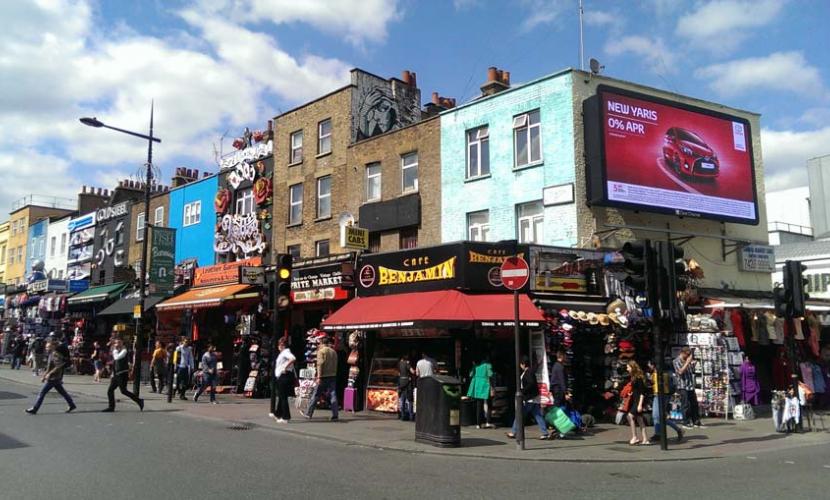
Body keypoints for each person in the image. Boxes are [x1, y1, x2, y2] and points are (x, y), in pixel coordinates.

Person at [25, 340, 76, 415]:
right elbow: (49, 367)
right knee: (62, 392)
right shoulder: (51, 354)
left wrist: (49, 374)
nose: (46, 348)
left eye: (48, 347)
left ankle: (35, 408)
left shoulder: (55, 354)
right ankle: (72, 405)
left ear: (53, 346)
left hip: (54, 377)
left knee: (42, 393)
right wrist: (44, 375)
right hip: (53, 377)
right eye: (46, 347)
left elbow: (59, 365)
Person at [507, 356, 549, 440]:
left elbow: (531, 383)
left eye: (521, 364)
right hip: (534, 398)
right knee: (537, 415)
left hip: (529, 398)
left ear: (523, 364)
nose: (520, 366)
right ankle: (545, 432)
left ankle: (513, 432)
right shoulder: (530, 371)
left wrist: (522, 390)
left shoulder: (528, 372)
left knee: (519, 414)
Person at [301, 336, 338, 421]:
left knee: (316, 394)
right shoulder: (334, 352)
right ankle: (335, 414)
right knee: (333, 394)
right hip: (332, 375)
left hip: (323, 376)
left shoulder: (321, 352)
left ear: (321, 343)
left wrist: (319, 376)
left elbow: (320, 364)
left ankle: (308, 413)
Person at [646, 360, 683, 443]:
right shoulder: (656, 372)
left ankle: (676, 429)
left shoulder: (662, 373)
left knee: (659, 416)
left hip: (663, 395)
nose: (649, 366)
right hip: (657, 395)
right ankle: (658, 433)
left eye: (650, 364)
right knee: (657, 416)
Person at [102, 337, 143, 412]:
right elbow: (115, 362)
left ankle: (139, 401)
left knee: (123, 391)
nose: (116, 344)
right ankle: (111, 407)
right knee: (110, 390)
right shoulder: (117, 350)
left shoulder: (124, 350)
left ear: (122, 343)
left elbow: (117, 358)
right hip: (116, 374)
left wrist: (114, 350)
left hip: (122, 374)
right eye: (115, 343)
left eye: (118, 343)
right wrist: (112, 373)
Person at [673, 347, 704, 429]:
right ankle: (685, 422)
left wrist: (693, 365)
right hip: (682, 385)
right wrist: (687, 362)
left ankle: (696, 421)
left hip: (690, 385)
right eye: (687, 354)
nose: (688, 356)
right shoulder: (676, 361)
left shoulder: (687, 360)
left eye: (689, 355)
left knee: (694, 404)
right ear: (682, 353)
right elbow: (680, 372)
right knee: (685, 404)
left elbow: (690, 371)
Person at [624, 360, 649, 445]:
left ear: (632, 367)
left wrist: (640, 405)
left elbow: (642, 392)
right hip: (635, 399)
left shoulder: (638, 378)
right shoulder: (634, 377)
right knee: (639, 419)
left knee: (630, 416)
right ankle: (645, 439)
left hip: (638, 401)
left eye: (628, 367)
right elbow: (637, 390)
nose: (627, 369)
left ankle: (635, 437)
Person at [467, 355, 494, 429]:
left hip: (477, 386)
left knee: (479, 405)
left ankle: (478, 424)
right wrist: (492, 387)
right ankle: (488, 422)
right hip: (486, 385)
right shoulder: (487, 365)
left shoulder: (476, 366)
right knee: (489, 403)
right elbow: (490, 375)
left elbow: (470, 374)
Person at [273, 338, 296, 423]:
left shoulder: (286, 352)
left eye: (279, 344)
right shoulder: (283, 353)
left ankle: (286, 417)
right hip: (282, 376)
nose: (278, 346)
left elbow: (293, 358)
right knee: (282, 396)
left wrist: (285, 367)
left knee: (283, 397)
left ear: (282, 345)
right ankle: (278, 414)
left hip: (284, 376)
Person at [398, 355, 415, 421]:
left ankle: (402, 416)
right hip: (407, 384)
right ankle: (411, 417)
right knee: (410, 400)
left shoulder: (399, 364)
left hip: (401, 384)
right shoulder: (407, 363)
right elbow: (412, 371)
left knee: (403, 400)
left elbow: (398, 374)